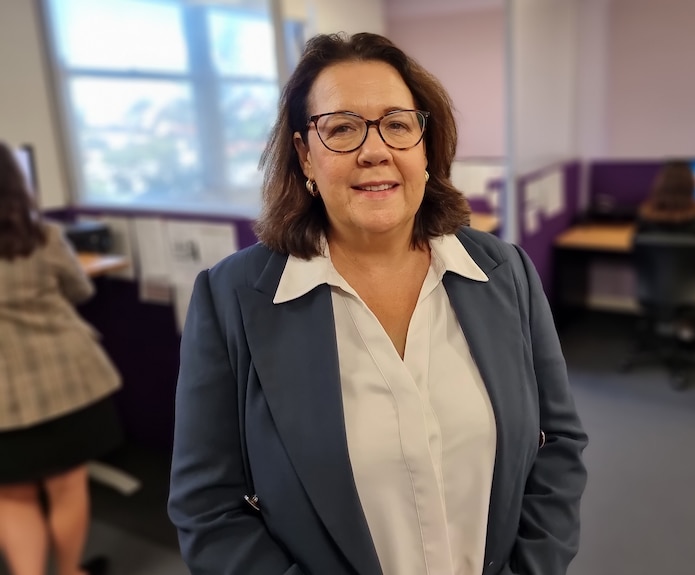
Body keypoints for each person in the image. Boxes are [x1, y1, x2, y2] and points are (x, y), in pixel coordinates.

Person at [168, 32, 588, 575]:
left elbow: (559, 443)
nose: (375, 150)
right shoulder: (233, 299)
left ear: (425, 145)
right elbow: (208, 509)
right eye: (341, 128)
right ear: (305, 156)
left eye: (397, 124)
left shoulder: (503, 272)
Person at [0, 142, 121, 575]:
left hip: (4, 404)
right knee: (68, 487)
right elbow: (81, 290)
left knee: (13, 497)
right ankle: (70, 571)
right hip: (68, 383)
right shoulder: (42, 236)